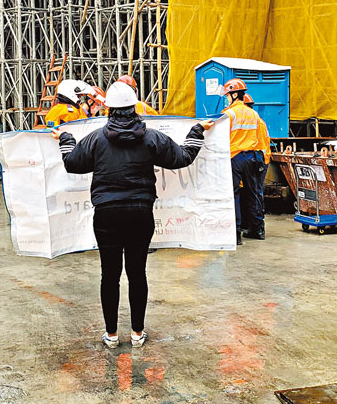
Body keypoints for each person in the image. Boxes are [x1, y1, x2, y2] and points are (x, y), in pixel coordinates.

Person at [54, 81, 212, 348]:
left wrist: (66, 138)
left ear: (109, 110)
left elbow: (72, 163)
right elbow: (183, 157)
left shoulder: (95, 139)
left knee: (110, 275)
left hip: (106, 215)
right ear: (134, 107)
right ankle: (138, 334)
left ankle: (112, 335)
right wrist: (198, 130)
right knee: (137, 273)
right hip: (141, 213)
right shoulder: (151, 138)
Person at [221, 78, 266, 244]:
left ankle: (235, 235)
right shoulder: (254, 114)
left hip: (235, 157)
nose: (226, 98)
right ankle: (257, 230)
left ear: (233, 94)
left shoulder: (229, 114)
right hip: (252, 157)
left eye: (227, 95)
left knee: (233, 195)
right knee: (253, 194)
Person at [244, 93, 271, 237]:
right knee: (254, 193)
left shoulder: (254, 121)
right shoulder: (256, 119)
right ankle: (255, 225)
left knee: (254, 194)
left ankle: (257, 228)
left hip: (258, 160)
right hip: (259, 159)